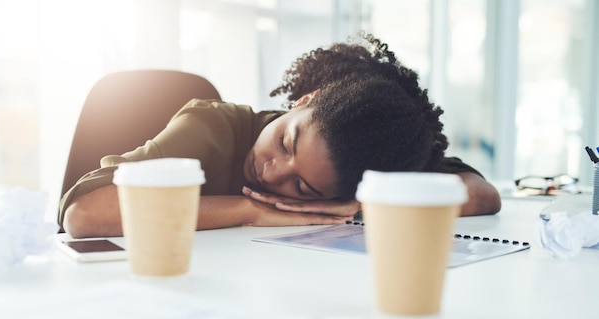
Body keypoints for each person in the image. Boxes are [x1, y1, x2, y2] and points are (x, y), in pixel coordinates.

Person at [60, 32, 501, 238]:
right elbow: (83, 215)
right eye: (287, 143)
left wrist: (366, 200)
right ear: (306, 100)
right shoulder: (213, 128)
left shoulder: (362, 160)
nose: (273, 171)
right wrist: (249, 210)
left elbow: (482, 194)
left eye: (302, 186)